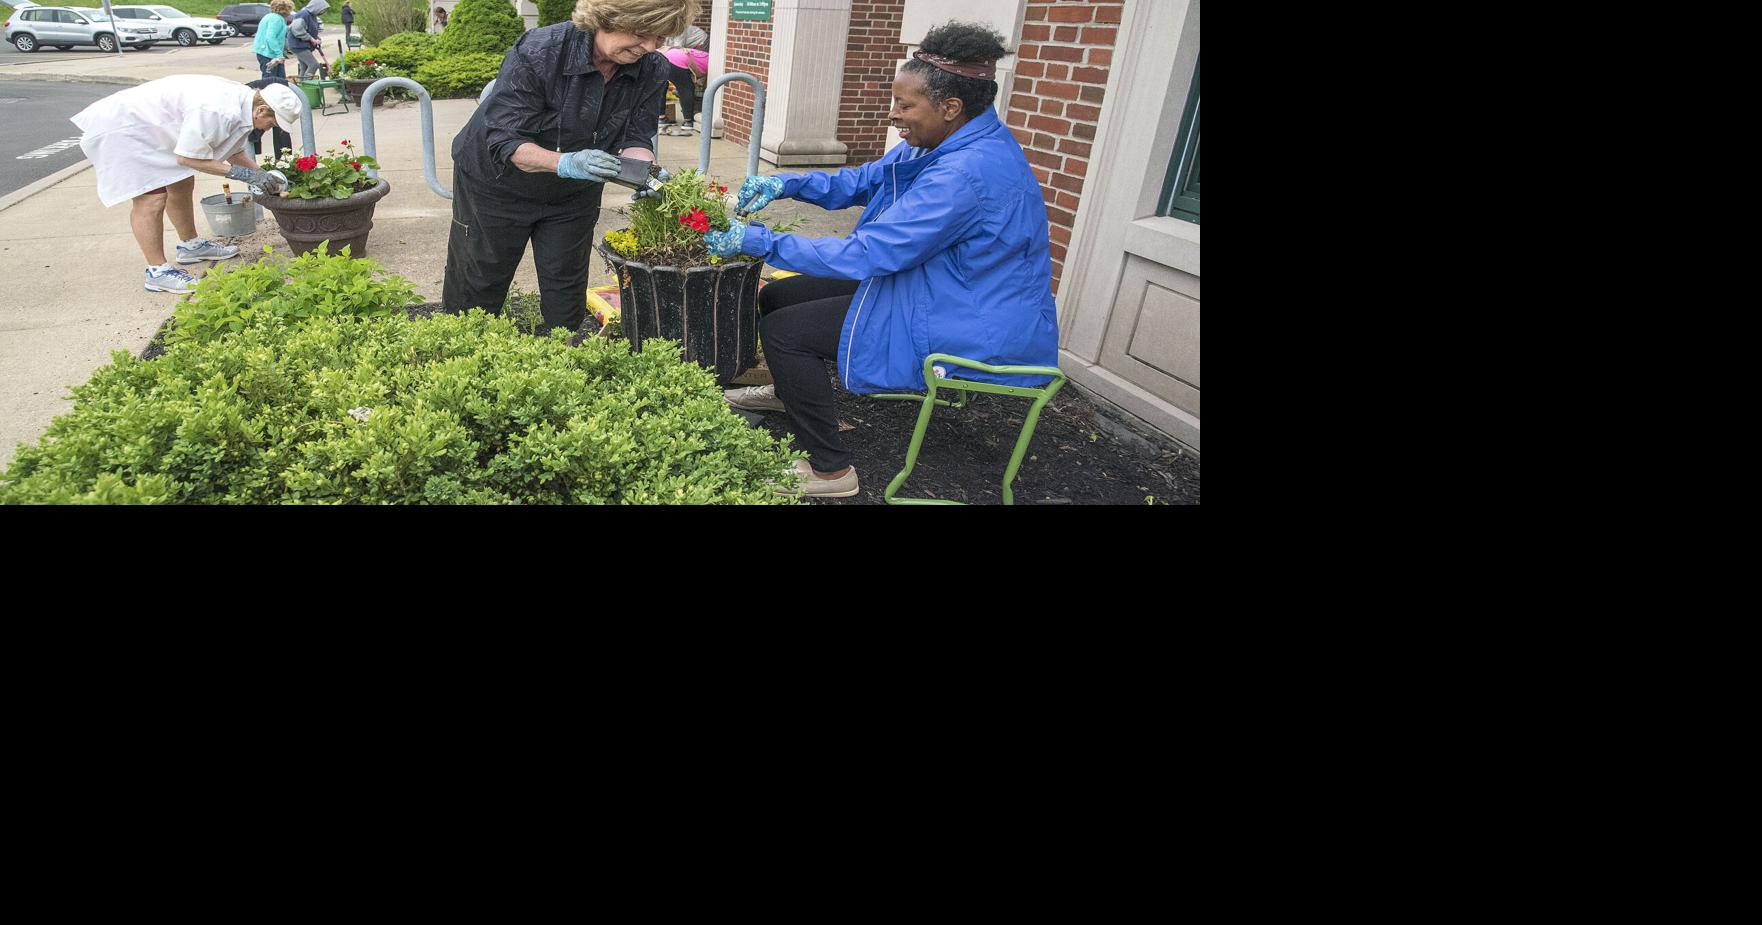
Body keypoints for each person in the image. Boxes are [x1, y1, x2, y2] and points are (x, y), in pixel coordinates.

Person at [706, 21, 1059, 498]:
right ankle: (791, 394)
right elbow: (865, 180)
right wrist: (787, 182)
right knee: (780, 296)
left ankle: (831, 471)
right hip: (940, 283)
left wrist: (762, 242)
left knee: (787, 333)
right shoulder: (946, 141)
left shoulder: (965, 173)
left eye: (905, 105)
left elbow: (871, 253)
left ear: (950, 107)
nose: (893, 114)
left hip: (970, 316)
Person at [442, 0, 698, 336]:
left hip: (574, 193)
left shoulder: (652, 68)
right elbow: (505, 140)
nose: (650, 47)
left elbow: (636, 135)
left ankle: (561, 355)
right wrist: (564, 162)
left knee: (565, 292)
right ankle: (465, 349)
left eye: (660, 38)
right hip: (496, 185)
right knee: (478, 286)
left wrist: (644, 172)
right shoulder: (541, 50)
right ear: (607, 18)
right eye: (642, 34)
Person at [70, 76, 298, 294]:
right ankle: (157, 272)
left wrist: (261, 175)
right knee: (151, 198)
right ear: (261, 110)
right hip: (125, 128)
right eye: (271, 123)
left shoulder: (244, 105)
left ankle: (190, 246)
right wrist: (244, 175)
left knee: (182, 181)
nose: (268, 129)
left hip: (153, 127)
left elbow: (234, 152)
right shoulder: (217, 111)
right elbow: (188, 159)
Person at [658, 41, 707, 135]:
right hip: (677, 60)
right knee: (686, 88)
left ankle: (661, 118)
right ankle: (688, 121)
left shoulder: (703, 56)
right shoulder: (712, 61)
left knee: (661, 87)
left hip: (665, 57)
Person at [287, 0, 329, 81]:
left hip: (302, 45)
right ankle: (306, 84)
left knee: (304, 67)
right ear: (316, 7)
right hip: (298, 45)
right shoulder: (303, 14)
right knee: (314, 65)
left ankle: (301, 85)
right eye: (322, 9)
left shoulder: (312, 15)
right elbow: (297, 29)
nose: (322, 12)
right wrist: (311, 39)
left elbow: (311, 31)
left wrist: (317, 39)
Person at [252, 0, 293, 80]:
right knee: (270, 80)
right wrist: (279, 54)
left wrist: (289, 27)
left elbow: (279, 30)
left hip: (266, 51)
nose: (290, 12)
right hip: (269, 53)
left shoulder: (270, 16)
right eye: (290, 9)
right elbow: (270, 37)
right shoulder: (277, 19)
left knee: (280, 78)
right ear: (285, 9)